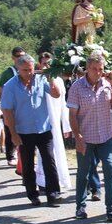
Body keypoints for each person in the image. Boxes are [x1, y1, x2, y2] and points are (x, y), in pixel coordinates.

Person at [67, 54, 112, 222]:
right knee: (83, 173)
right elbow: (72, 115)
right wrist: (77, 136)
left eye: (101, 69)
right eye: (94, 69)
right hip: (85, 137)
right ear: (87, 69)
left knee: (110, 169)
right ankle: (80, 206)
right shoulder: (77, 87)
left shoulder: (108, 85)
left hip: (105, 136)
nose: (98, 72)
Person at [0, 54, 63, 206]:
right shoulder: (10, 86)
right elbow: (7, 111)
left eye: (31, 69)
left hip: (43, 128)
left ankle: (53, 193)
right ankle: (32, 194)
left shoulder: (41, 79)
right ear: (18, 69)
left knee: (49, 161)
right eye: (25, 70)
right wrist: (13, 134)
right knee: (28, 165)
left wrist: (50, 78)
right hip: (23, 131)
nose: (29, 73)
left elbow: (56, 94)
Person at [35, 52, 72, 197]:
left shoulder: (59, 81)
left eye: (49, 63)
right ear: (40, 64)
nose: (47, 66)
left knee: (57, 151)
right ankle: (42, 182)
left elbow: (63, 103)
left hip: (56, 120)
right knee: (44, 153)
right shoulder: (37, 79)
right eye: (44, 63)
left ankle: (58, 181)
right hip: (43, 122)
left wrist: (66, 125)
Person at [0, 46, 26, 165]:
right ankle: (10, 155)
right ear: (13, 58)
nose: (21, 58)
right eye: (18, 56)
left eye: (22, 56)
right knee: (10, 130)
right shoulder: (8, 73)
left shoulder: (28, 70)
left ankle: (24, 155)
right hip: (11, 107)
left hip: (24, 107)